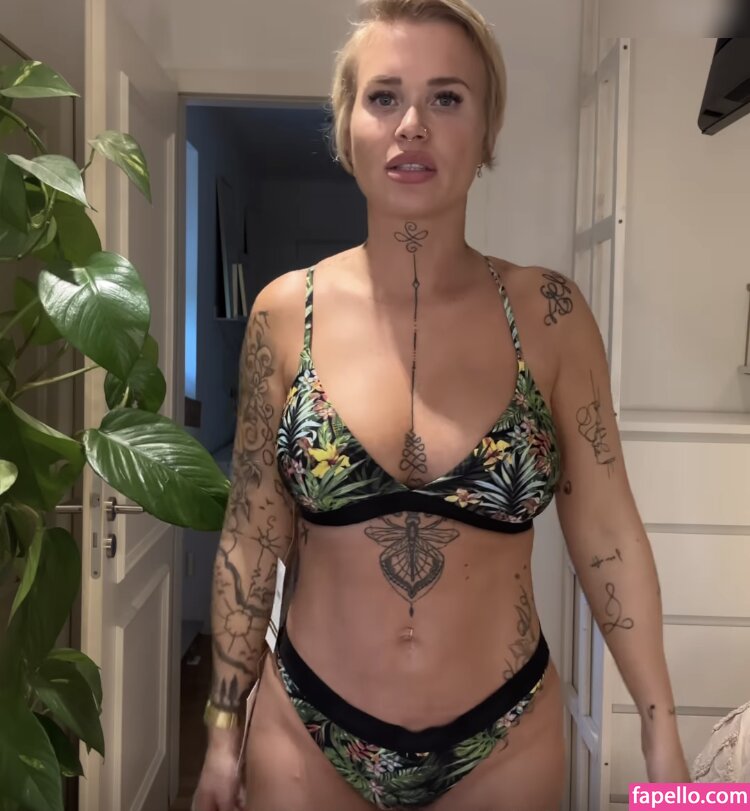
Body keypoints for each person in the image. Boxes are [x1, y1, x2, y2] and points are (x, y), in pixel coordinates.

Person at [193, 1, 689, 809]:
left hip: (505, 738)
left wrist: (661, 731)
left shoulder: (552, 316)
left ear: (487, 131)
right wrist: (222, 728)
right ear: (346, 126)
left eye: (447, 97)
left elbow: (607, 531)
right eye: (384, 96)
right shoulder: (284, 315)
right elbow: (251, 536)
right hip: (308, 732)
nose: (412, 125)